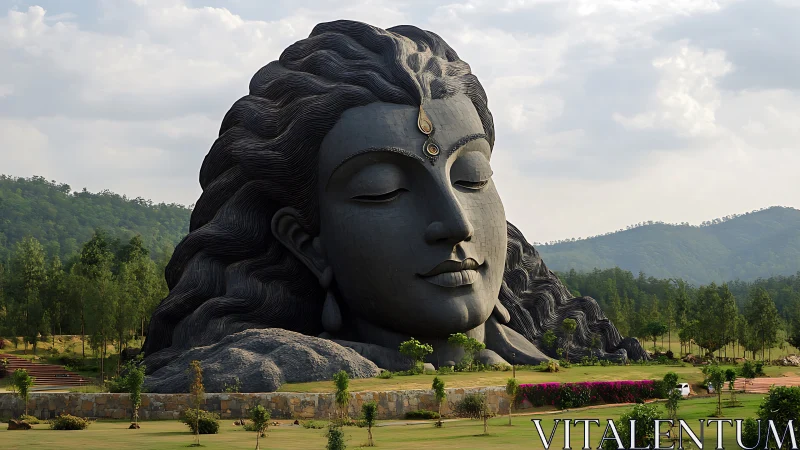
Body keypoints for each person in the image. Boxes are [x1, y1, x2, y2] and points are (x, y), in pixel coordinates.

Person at [142, 20, 646, 392]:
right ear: (307, 243)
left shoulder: (583, 364)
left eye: (472, 177)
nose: (454, 223)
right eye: (382, 190)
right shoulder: (251, 367)